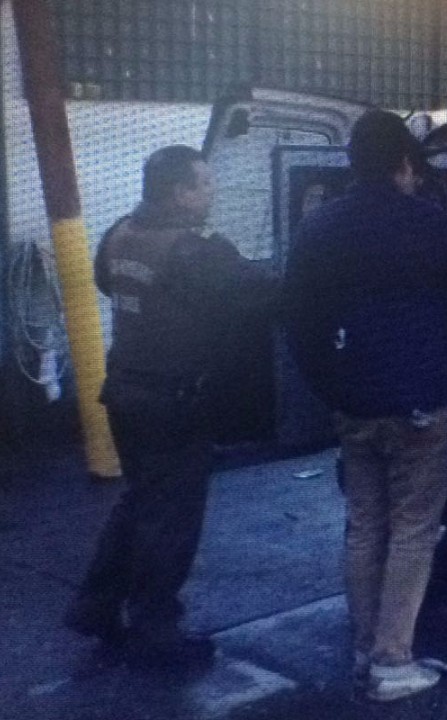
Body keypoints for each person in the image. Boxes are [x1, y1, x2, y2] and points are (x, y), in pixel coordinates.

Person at [283, 110, 447, 702]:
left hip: (355, 405)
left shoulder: (320, 226)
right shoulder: (431, 223)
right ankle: (394, 664)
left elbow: (297, 320)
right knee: (413, 530)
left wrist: (332, 388)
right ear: (403, 163)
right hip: (420, 405)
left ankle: (366, 649)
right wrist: (441, 376)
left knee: (364, 526)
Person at [64, 145, 277, 669]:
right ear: (179, 193)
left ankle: (95, 605)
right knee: (172, 518)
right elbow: (261, 289)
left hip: (126, 395)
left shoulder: (120, 234)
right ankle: (157, 626)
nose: (211, 193)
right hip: (174, 402)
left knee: (139, 504)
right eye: (203, 185)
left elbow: (106, 283)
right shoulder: (195, 250)